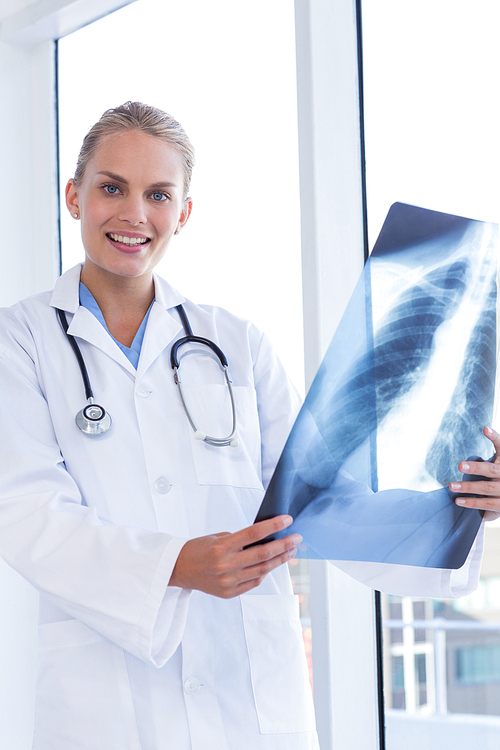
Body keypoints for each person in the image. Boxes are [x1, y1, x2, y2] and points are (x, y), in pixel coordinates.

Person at [0, 101, 499, 750]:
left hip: (249, 694)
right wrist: (171, 566)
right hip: (105, 704)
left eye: (158, 194)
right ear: (75, 196)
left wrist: (462, 511)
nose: (134, 214)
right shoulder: (22, 340)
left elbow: (316, 503)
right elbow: (26, 510)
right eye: (111, 188)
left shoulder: (237, 341)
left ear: (183, 213)